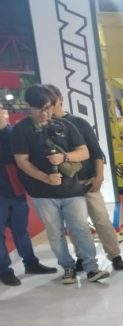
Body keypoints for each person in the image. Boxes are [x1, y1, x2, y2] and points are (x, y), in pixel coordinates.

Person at [12, 85, 109, 284]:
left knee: (81, 228)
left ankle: (91, 267)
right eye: (39, 109)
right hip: (42, 193)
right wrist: (45, 178)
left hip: (72, 190)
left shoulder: (65, 125)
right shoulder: (21, 130)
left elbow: (84, 152)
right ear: (29, 107)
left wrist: (63, 157)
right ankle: (68, 267)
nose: (45, 113)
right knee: (55, 233)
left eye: (48, 108)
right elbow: (22, 161)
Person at [45, 84, 123, 270]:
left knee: (101, 219)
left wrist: (99, 177)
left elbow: (97, 153)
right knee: (75, 224)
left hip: (87, 181)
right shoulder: (45, 128)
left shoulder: (78, 123)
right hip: (65, 185)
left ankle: (115, 255)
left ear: (60, 99)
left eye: (51, 100)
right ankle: (82, 257)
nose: (48, 105)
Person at [0, 102, 56, 286]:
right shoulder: (14, 133)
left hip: (16, 190)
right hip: (6, 192)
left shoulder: (14, 133)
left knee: (21, 230)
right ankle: (4, 270)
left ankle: (30, 263)